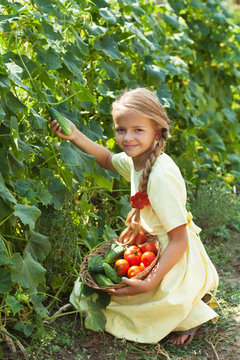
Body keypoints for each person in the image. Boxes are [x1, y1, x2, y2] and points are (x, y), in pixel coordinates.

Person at [49, 88, 219, 346]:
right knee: (91, 291)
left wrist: (149, 283)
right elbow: (106, 159)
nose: (128, 137)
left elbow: (179, 240)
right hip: (152, 248)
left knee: (139, 307)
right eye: (121, 129)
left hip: (173, 257)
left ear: (158, 132)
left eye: (138, 130)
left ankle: (191, 313)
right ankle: (182, 304)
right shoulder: (138, 159)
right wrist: (76, 135)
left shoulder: (159, 177)